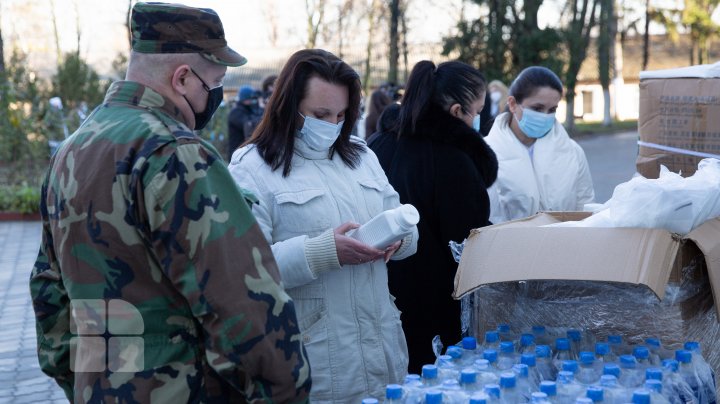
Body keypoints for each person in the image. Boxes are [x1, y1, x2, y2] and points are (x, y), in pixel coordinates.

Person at [29, 3, 310, 403]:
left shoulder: (71, 151)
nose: (215, 94)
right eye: (215, 81)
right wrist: (287, 392)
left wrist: (85, 384)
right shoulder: (175, 151)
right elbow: (245, 305)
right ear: (182, 78)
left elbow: (49, 294)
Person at [228, 48, 418, 402]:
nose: (331, 125)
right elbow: (243, 268)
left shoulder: (361, 156)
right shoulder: (252, 167)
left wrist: (399, 239)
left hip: (381, 350)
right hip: (316, 358)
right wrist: (323, 251)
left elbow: (403, 221)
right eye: (320, 114)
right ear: (288, 105)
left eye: (341, 114)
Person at [369, 60, 498, 373]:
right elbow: (468, 243)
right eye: (478, 110)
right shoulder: (454, 160)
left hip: (377, 298)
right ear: (456, 112)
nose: (481, 118)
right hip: (434, 306)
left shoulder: (377, 144)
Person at [486, 66, 595, 223]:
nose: (545, 116)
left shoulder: (572, 151)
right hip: (508, 246)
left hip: (564, 243)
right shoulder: (485, 153)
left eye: (552, 109)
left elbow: (585, 207)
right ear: (513, 104)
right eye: (537, 108)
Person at [227, 84, 263, 160]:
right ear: (244, 99)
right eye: (251, 98)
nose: (253, 100)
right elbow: (250, 125)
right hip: (237, 155)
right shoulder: (236, 112)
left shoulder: (249, 110)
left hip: (246, 152)